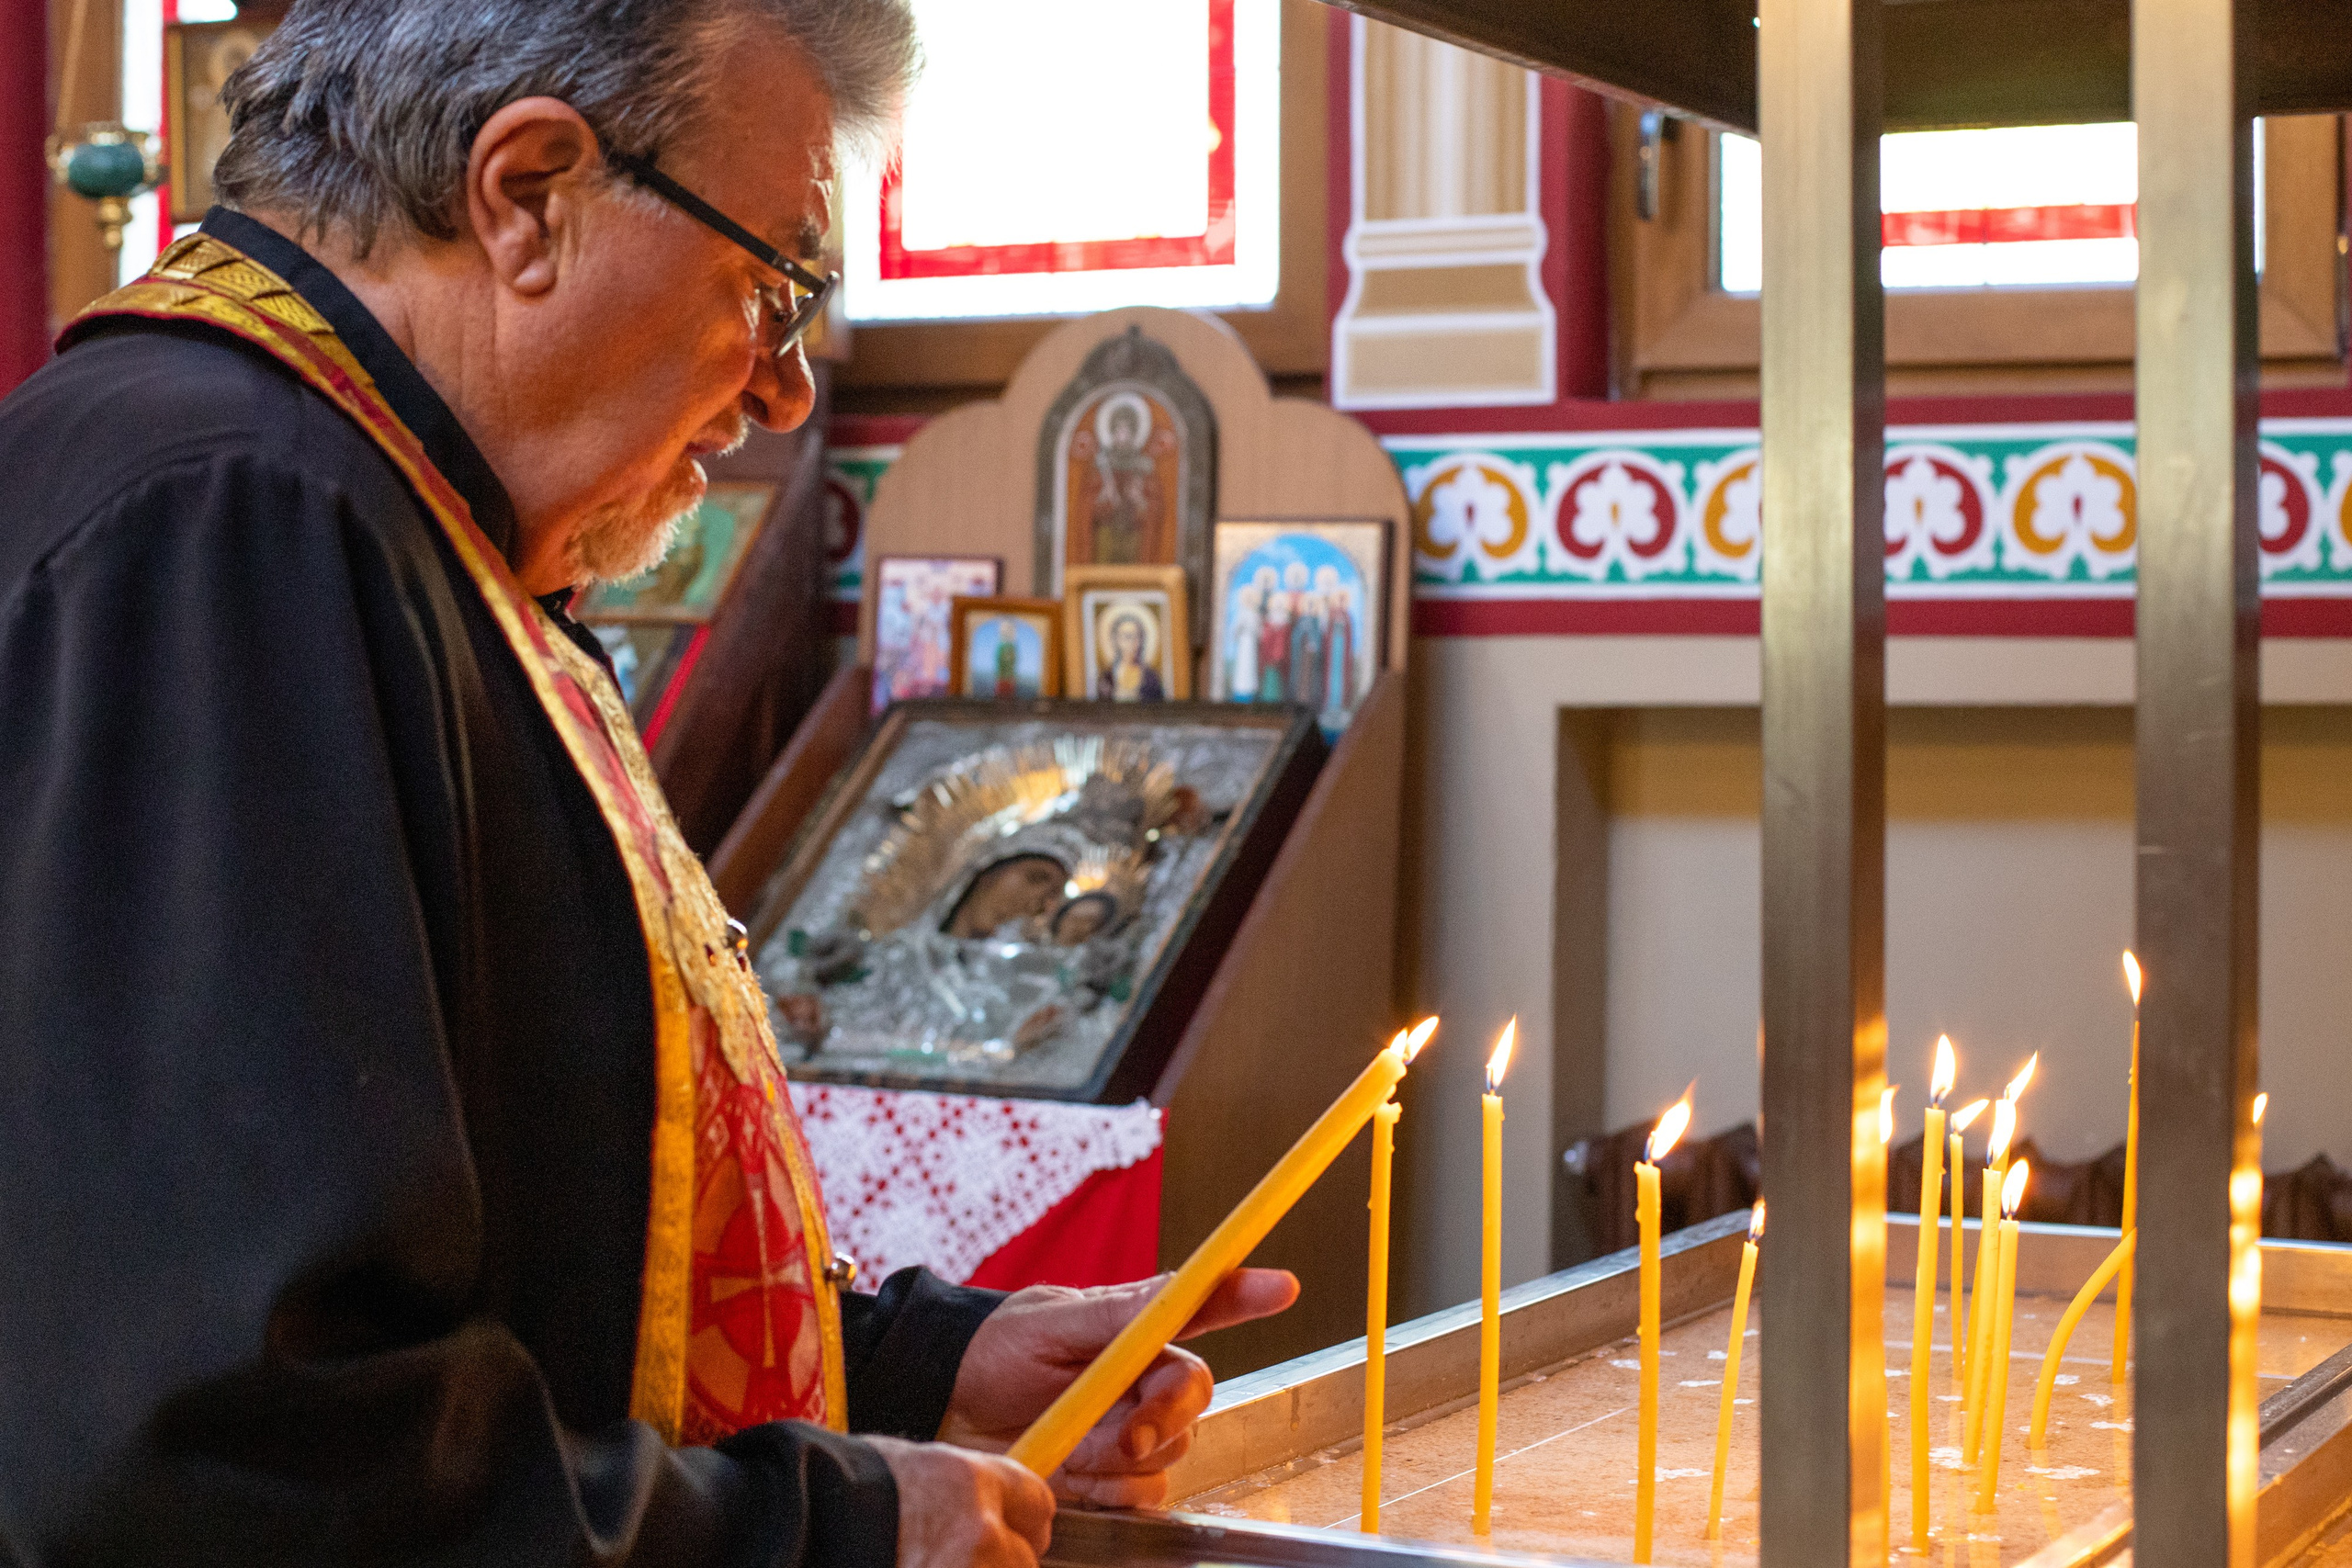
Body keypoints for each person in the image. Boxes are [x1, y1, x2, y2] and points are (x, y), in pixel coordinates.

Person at [0, 3, 1296, 1565]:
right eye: (774, 287)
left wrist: (917, 1366)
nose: (788, 391)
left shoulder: (374, 508)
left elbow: (502, 1193)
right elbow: (225, 1446)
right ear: (530, 193)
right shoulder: (232, 524)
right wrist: (815, 1536)